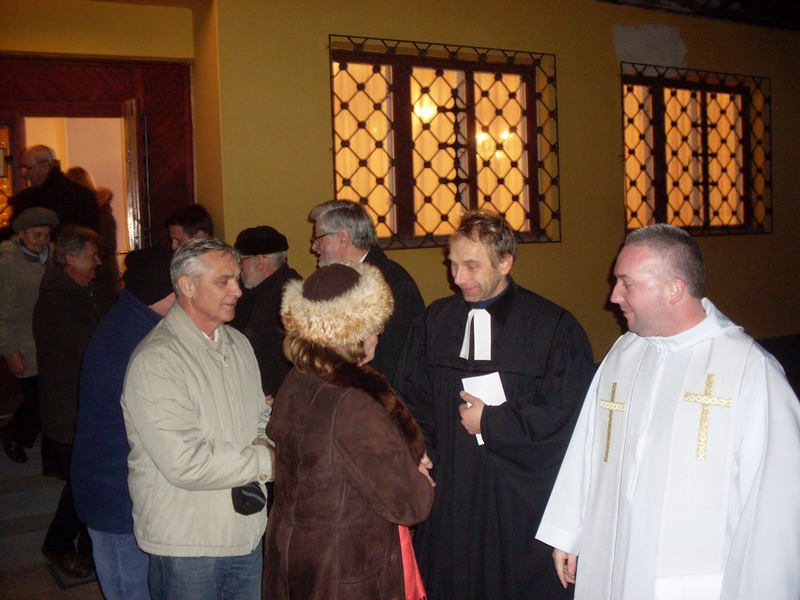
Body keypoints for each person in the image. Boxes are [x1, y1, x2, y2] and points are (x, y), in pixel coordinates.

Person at [536, 224, 800, 600]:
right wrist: (568, 531)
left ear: (674, 289)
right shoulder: (624, 353)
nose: (613, 296)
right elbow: (588, 446)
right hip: (613, 563)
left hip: (695, 580)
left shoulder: (748, 371)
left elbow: (777, 500)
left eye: (627, 284)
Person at [394, 210, 595, 600]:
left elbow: (567, 418)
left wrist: (492, 423)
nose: (458, 278)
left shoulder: (552, 327)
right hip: (451, 499)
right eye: (453, 265)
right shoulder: (435, 321)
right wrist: (417, 448)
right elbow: (411, 398)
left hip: (516, 503)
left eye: (471, 266)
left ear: (505, 263)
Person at [264, 261, 434, 599]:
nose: (379, 333)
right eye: (373, 325)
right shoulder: (352, 404)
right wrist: (417, 475)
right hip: (345, 572)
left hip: (297, 561)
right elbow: (410, 504)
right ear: (352, 330)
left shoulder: (297, 381)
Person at [121, 237, 273, 600]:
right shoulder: (157, 360)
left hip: (245, 531)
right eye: (224, 281)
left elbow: (260, 417)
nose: (238, 290)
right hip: (188, 543)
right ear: (187, 285)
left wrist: (265, 439)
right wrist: (268, 461)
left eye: (237, 279)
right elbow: (185, 462)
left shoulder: (238, 344)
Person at [71, 247, 175, 600]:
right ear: (166, 292)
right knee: (130, 589)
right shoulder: (130, 339)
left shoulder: (138, 323)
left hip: (129, 493)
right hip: (116, 497)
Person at [33, 224, 110, 579]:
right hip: (71, 409)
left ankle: (85, 550)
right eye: (92, 256)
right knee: (82, 483)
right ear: (69, 258)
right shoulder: (57, 301)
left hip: (82, 405)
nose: (98, 262)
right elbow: (86, 351)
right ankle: (61, 545)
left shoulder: (82, 292)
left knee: (85, 481)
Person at [309, 199, 424, 382]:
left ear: (343, 237)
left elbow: (396, 368)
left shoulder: (394, 287)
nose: (314, 247)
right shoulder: (340, 279)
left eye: (318, 239)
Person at [0, 207, 58, 463]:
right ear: (22, 234)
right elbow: (3, 312)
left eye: (46, 235)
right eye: (36, 235)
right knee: (33, 397)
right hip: (24, 341)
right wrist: (10, 350)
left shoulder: (52, 256)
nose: (42, 241)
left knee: (44, 395)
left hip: (48, 340)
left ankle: (24, 436)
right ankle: (12, 434)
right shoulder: (9, 263)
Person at [230, 225, 301, 398]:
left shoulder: (291, 298)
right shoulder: (251, 291)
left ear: (260, 260)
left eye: (241, 261)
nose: (238, 268)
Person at [11, 145, 100, 232]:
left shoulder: (78, 196)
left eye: (27, 168)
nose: (24, 174)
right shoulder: (24, 198)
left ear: (44, 166)